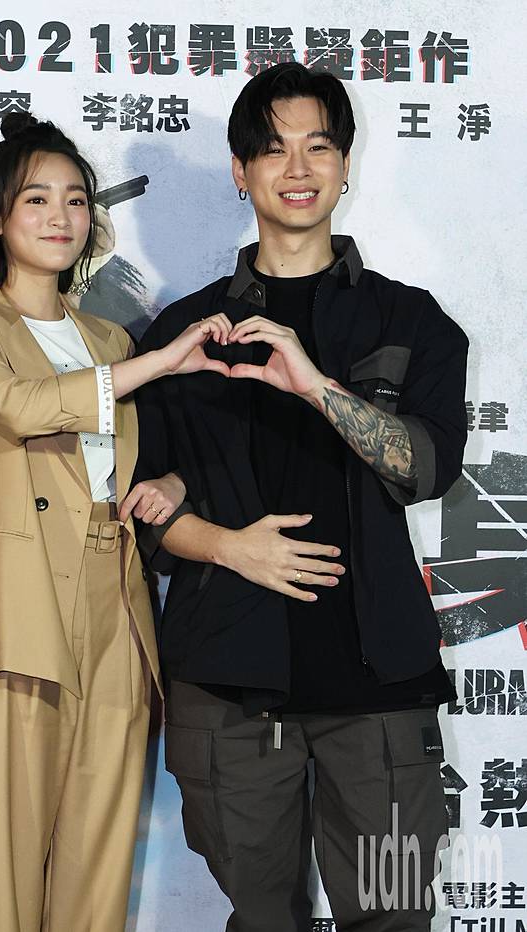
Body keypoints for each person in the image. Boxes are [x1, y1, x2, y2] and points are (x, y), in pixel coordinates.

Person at [128, 64, 469, 931]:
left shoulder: (411, 321)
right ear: (240, 171)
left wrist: (316, 386)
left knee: (394, 912)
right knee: (260, 919)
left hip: (379, 684)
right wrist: (229, 546)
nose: (298, 167)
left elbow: (427, 469)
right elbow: (139, 507)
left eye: (318, 146)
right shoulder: (181, 334)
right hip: (227, 684)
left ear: (345, 164)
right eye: (273, 149)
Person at [0, 113, 231, 932]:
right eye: (36, 199)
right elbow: (18, 407)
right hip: (10, 609)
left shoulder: (107, 336)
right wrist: (159, 361)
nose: (61, 216)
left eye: (76, 199)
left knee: (98, 877)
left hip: (116, 605)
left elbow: (127, 459)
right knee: (4, 880)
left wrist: (169, 477)